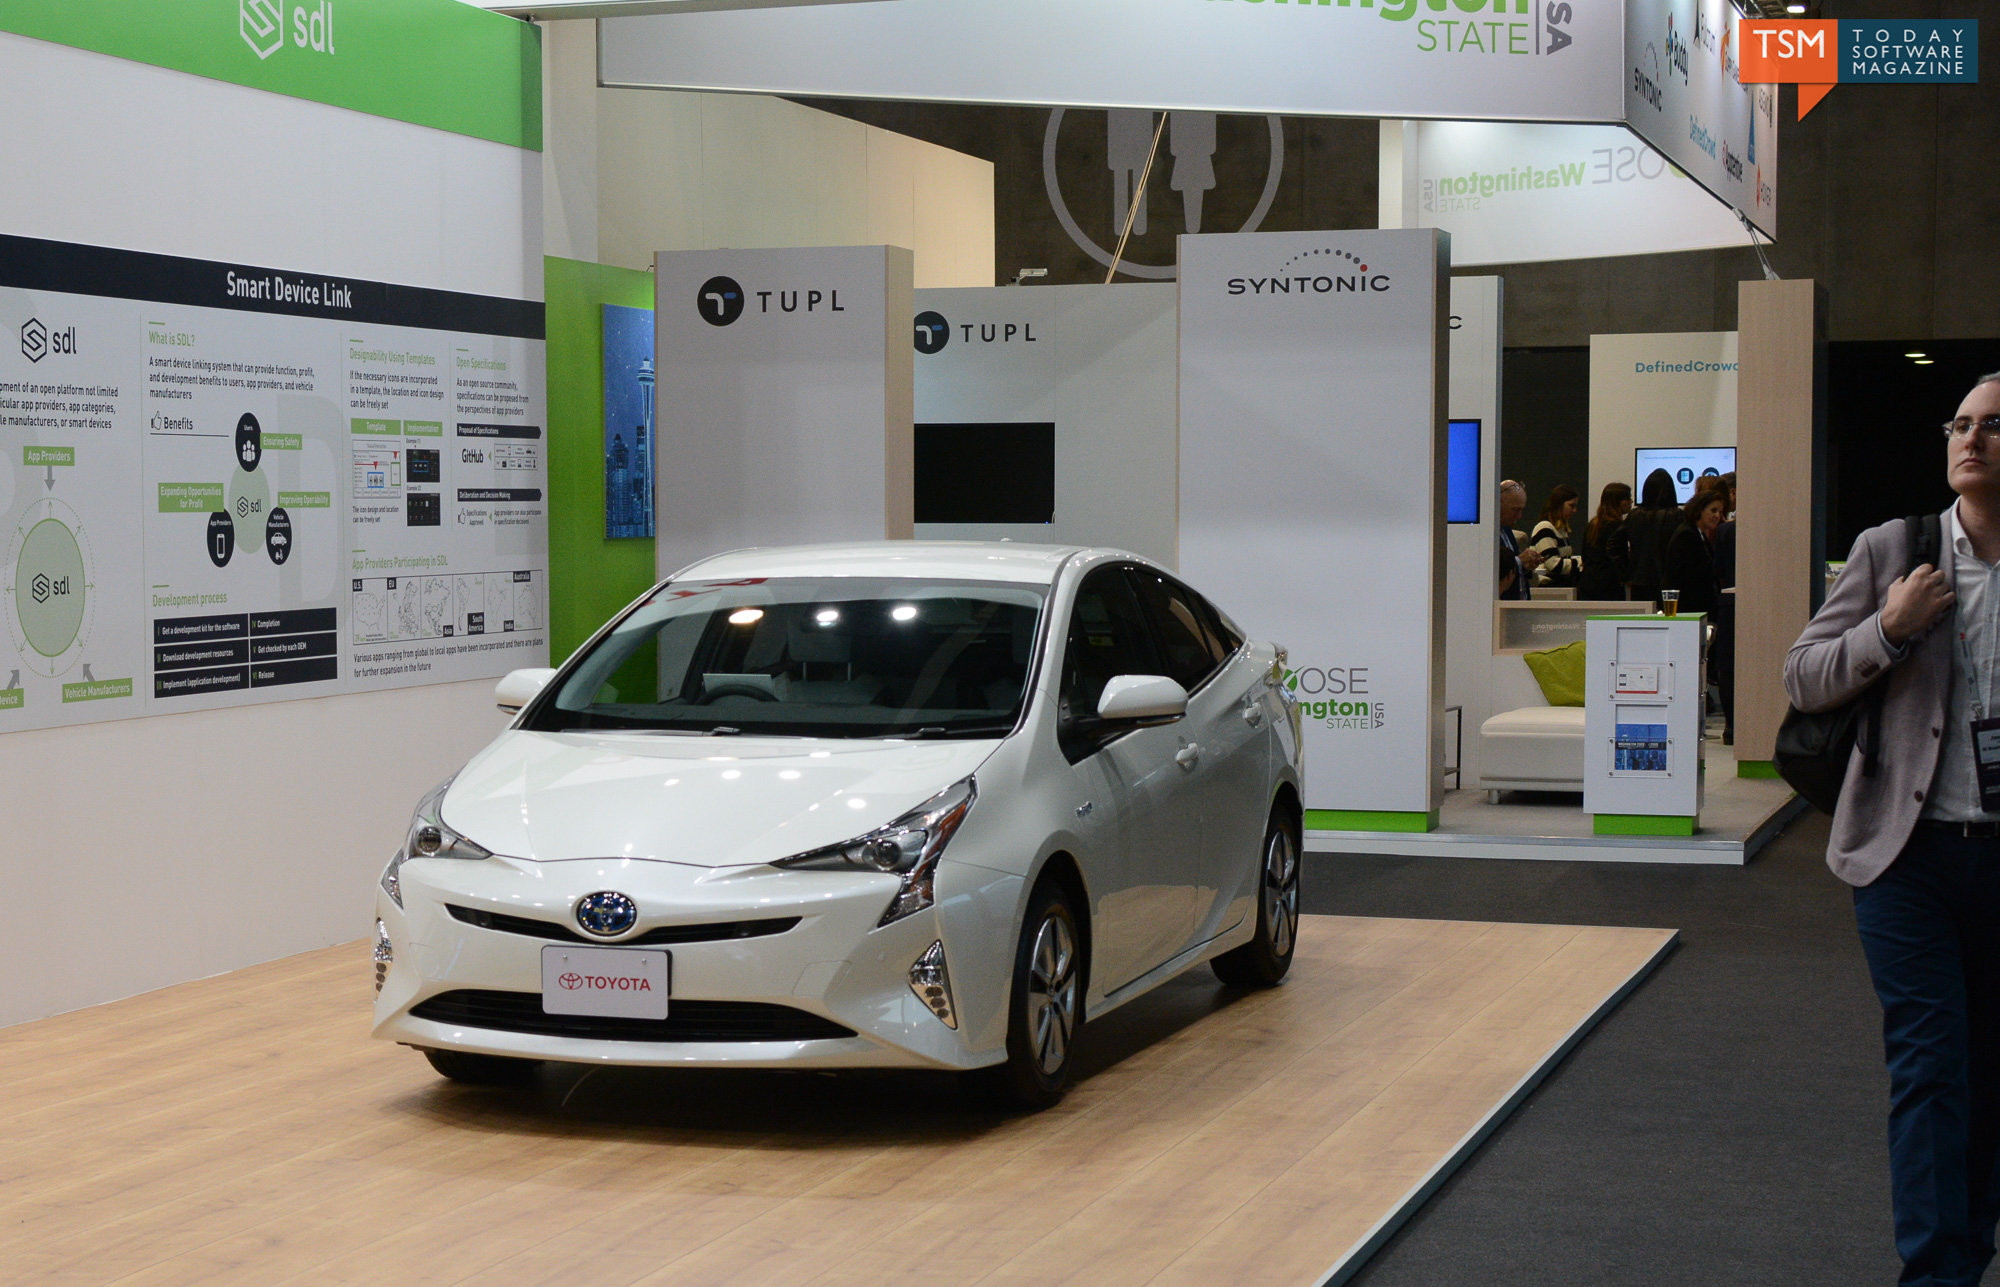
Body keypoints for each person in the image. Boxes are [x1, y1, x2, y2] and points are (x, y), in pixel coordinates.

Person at [1783, 371, 2000, 1287]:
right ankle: (1935, 1274)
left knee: (1986, 1074)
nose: (1971, 439)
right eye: (1960, 423)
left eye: (1992, 425)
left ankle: (1967, 1252)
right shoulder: (1892, 549)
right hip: (1905, 857)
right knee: (1930, 1063)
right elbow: (1802, 675)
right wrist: (1889, 625)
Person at [1622, 468, 1685, 610]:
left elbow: (1613, 544)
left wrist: (1626, 573)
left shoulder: (1634, 515)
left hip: (1639, 579)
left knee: (1641, 619)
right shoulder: (1677, 516)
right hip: (1668, 580)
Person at [1663, 488, 1726, 617]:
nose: (1717, 516)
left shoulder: (1698, 534)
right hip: (1689, 608)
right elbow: (1686, 576)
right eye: (1713, 510)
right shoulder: (1686, 535)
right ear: (1700, 510)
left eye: (1720, 512)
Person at [1579, 482, 1634, 601]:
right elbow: (1620, 556)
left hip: (1588, 582)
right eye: (1628, 498)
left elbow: (1585, 554)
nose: (1631, 501)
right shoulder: (1617, 526)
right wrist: (1626, 577)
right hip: (1609, 585)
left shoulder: (1592, 524)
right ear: (1617, 502)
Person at [1496, 480, 1543, 599]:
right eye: (1515, 509)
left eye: (1521, 509)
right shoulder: (1485, 535)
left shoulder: (1506, 530)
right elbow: (1496, 569)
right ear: (1499, 504)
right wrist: (1519, 561)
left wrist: (1526, 565)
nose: (1519, 515)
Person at [1529, 484, 1583, 587]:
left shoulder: (1560, 530)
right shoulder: (1544, 528)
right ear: (1559, 504)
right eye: (1571, 506)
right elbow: (1554, 565)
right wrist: (1581, 562)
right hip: (1547, 587)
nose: (1575, 510)